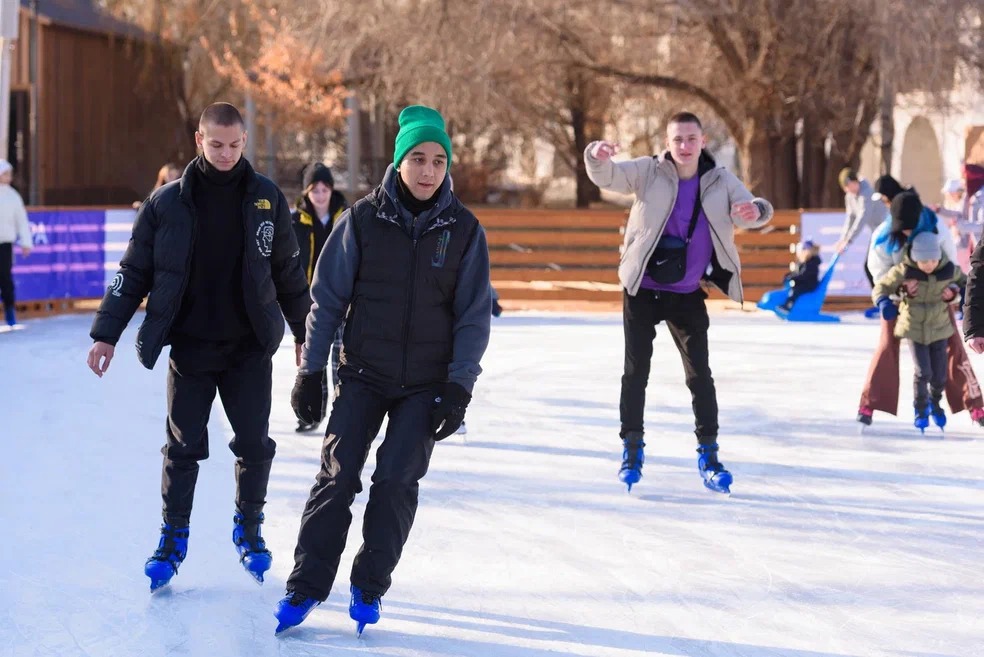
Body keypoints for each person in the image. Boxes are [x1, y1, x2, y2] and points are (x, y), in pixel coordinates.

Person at [274, 105, 491, 635]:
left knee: (396, 480)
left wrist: (460, 385)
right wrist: (308, 373)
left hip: (425, 384)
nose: (428, 170)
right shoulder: (363, 220)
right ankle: (305, 586)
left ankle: (369, 585)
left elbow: (472, 315)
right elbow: (326, 300)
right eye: (417, 158)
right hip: (363, 373)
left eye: (439, 161)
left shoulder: (462, 230)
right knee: (337, 474)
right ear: (399, 163)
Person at [86, 102, 311, 591]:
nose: (226, 154)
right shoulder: (166, 204)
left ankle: (249, 529)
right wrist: (107, 332)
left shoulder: (267, 199)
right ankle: (173, 536)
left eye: (234, 145)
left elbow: (289, 275)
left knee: (254, 444)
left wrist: (303, 332)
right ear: (199, 141)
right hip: (190, 348)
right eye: (216, 145)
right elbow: (134, 271)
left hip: (249, 348)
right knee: (183, 446)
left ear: (245, 142)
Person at [583, 111, 773, 496]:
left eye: (691, 138)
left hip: (687, 293)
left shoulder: (720, 180)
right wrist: (597, 155)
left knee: (699, 375)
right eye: (677, 139)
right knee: (635, 373)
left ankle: (709, 453)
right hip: (642, 289)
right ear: (666, 143)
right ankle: (631, 449)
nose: (684, 146)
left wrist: (756, 211)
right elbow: (607, 177)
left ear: (702, 141)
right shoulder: (648, 172)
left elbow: (752, 209)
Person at [857, 191, 984, 427]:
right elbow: (879, 274)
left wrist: (953, 293)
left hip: (937, 296)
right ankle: (869, 402)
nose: (905, 232)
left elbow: (953, 268)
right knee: (886, 346)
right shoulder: (883, 236)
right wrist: (899, 293)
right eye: (901, 227)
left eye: (909, 227)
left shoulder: (937, 227)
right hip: (900, 298)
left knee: (956, 346)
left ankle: (975, 404)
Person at [872, 231, 965, 430]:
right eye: (924, 261)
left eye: (933, 259)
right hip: (913, 329)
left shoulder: (948, 270)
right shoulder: (903, 270)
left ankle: (935, 402)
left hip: (940, 329)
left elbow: (967, 283)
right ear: (915, 257)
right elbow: (881, 287)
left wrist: (958, 293)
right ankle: (920, 408)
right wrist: (884, 302)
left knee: (939, 376)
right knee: (923, 372)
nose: (929, 264)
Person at [291, 162, 349, 433]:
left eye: (325, 188)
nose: (321, 194)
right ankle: (311, 413)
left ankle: (343, 412)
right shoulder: (296, 221)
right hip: (309, 302)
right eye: (315, 189)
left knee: (341, 358)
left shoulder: (347, 218)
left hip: (341, 300)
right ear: (307, 192)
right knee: (313, 358)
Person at [834, 168, 888, 269]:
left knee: (876, 265)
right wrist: (843, 239)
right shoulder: (849, 196)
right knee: (869, 267)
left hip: (885, 230)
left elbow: (862, 217)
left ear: (856, 182)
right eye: (847, 188)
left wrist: (849, 240)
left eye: (851, 185)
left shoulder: (867, 193)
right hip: (876, 232)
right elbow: (850, 218)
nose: (850, 190)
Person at [0, 159, 31, 327]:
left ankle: (10, 313)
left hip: (5, 245)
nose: (8, 177)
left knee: (5, 279)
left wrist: (26, 242)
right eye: (5, 174)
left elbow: (21, 221)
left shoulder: (13, 196)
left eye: (9, 174)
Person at [781, 239, 822, 311]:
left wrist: (794, 278)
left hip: (809, 284)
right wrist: (789, 275)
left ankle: (788, 306)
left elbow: (805, 275)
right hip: (804, 283)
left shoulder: (812, 262)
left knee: (796, 291)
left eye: (804, 250)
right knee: (791, 288)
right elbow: (798, 272)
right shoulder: (804, 261)